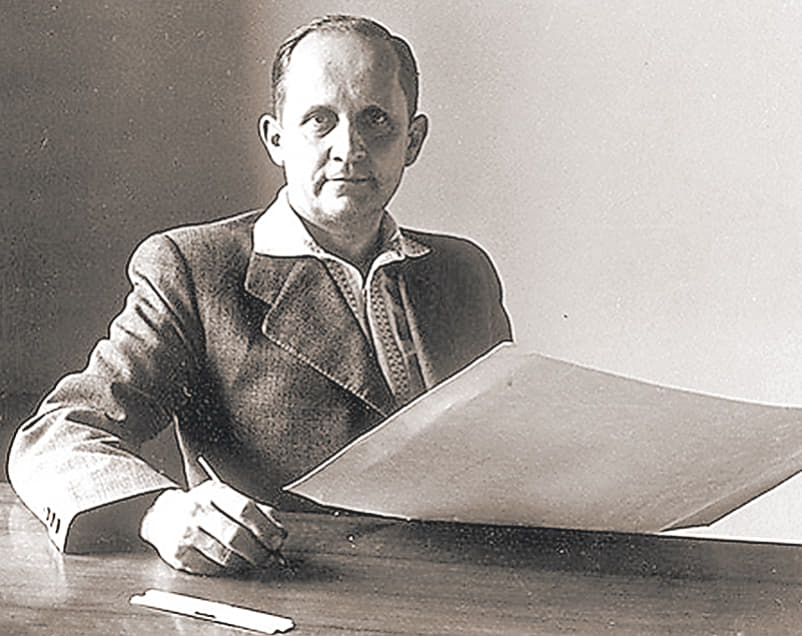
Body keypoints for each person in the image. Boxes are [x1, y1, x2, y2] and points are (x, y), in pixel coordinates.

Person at [7, 14, 512, 575]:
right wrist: (160, 511)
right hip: (282, 588)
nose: (349, 148)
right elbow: (57, 434)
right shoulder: (195, 268)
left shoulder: (464, 272)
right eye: (319, 120)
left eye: (376, 120)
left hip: (468, 590)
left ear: (412, 140)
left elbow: (510, 454)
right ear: (276, 139)